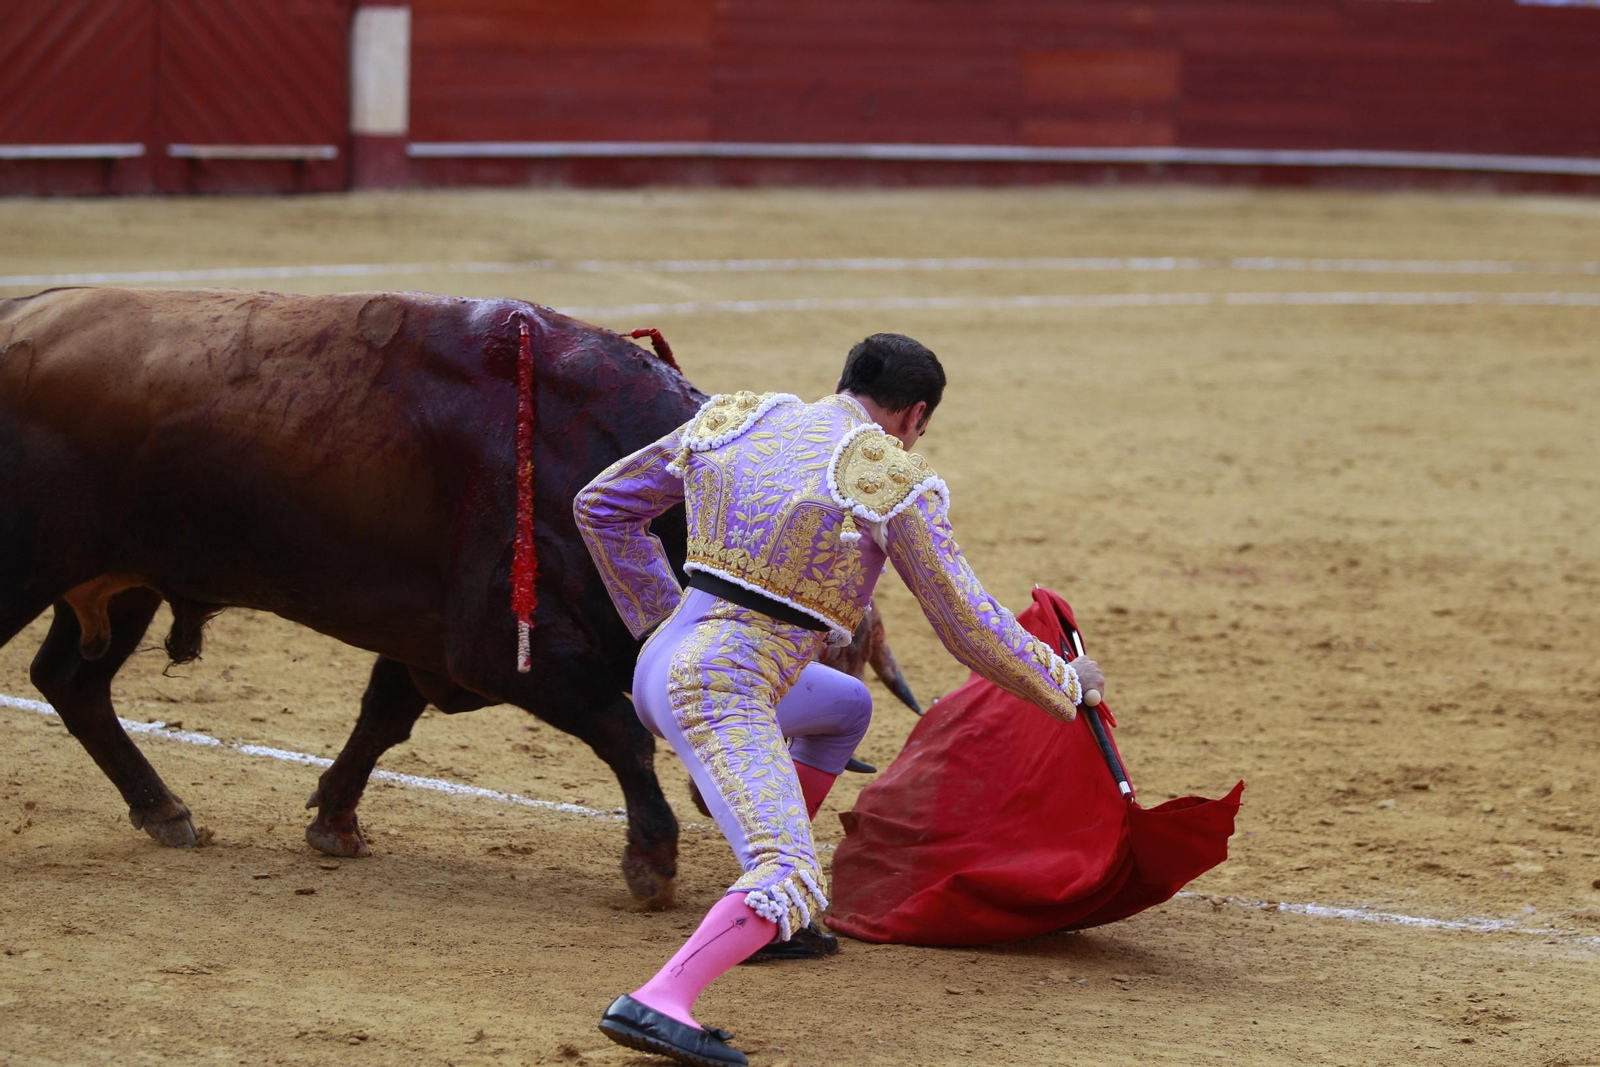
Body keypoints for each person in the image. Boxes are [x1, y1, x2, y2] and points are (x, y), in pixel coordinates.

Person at [574, 333, 1104, 1067]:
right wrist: (1066, 678)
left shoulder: (739, 415)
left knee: (845, 708)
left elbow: (601, 506)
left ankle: (771, 919)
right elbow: (963, 619)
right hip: (725, 687)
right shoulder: (883, 473)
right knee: (789, 871)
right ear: (915, 415)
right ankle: (660, 998)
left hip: (668, 660)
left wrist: (660, 621)